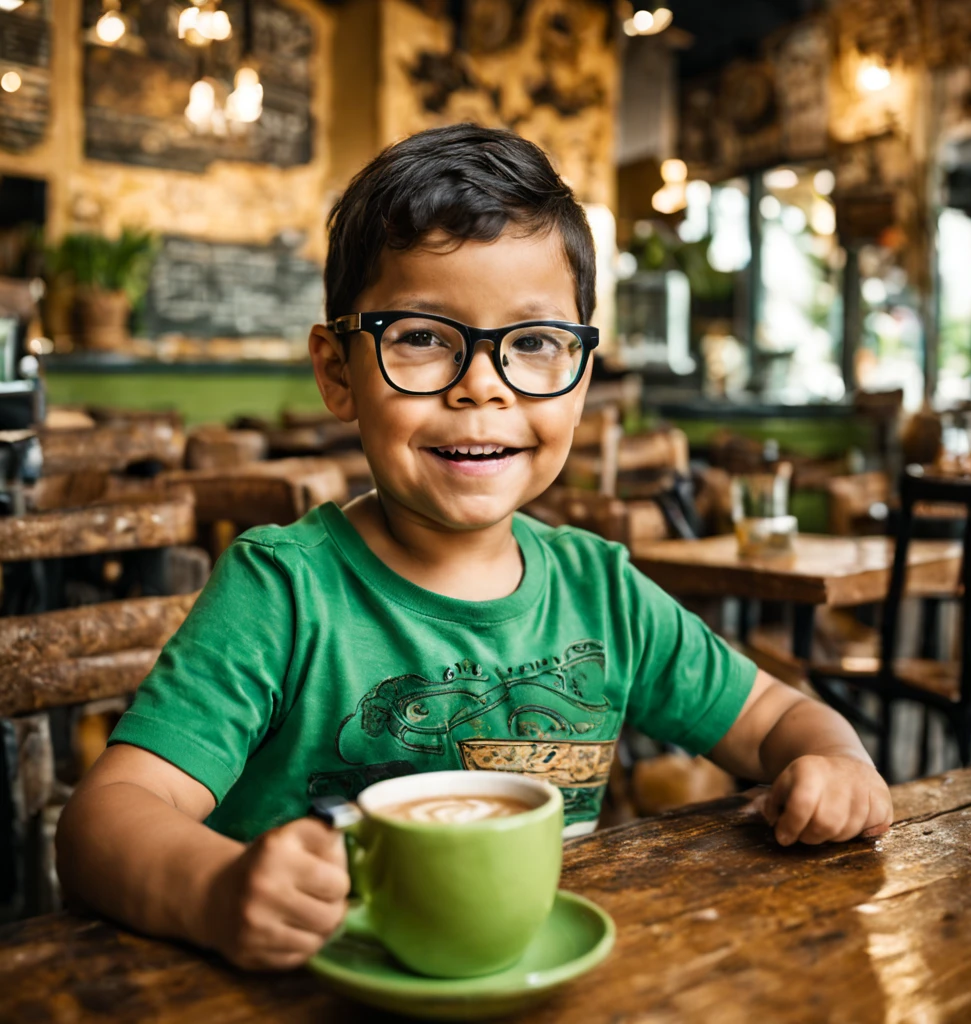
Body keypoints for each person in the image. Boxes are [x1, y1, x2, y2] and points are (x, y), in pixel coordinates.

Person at [56, 124, 892, 971]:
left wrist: (834, 758)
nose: (481, 385)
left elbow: (773, 717)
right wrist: (214, 891)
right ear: (338, 371)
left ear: (581, 376)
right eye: (421, 336)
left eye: (532, 343)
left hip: (539, 980)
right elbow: (106, 818)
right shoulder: (284, 590)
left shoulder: (600, 590)